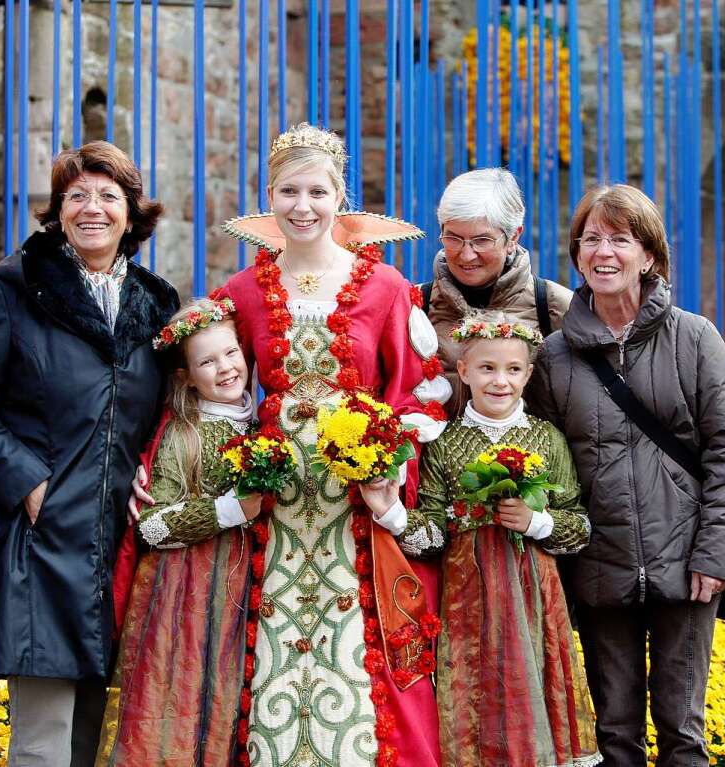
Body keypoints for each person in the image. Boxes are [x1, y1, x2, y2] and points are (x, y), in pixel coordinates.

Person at [213, 124, 452, 767]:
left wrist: (383, 464)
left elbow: (414, 393)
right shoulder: (239, 294)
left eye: (317, 191)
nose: (302, 206)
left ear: (339, 197)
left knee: (358, 653)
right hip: (274, 506)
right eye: (288, 191)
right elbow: (214, 386)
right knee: (269, 652)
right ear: (270, 198)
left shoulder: (386, 288)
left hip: (356, 509)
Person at [0, 141, 179, 766]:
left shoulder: (157, 304)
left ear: (132, 213)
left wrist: (155, 475)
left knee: (98, 739)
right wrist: (28, 482)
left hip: (124, 541)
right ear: (58, 211)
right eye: (77, 196)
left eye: (108, 196)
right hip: (38, 539)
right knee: (42, 742)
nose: (92, 208)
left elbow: (168, 416)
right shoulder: (10, 291)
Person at [526, 184, 725, 766]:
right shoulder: (555, 356)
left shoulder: (694, 337)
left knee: (683, 732)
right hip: (599, 563)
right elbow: (548, 465)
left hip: (687, 564)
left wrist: (719, 553)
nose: (604, 252)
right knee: (616, 733)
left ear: (648, 255)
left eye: (620, 240)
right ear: (577, 255)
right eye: (591, 239)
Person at [417, 311, 600, 767]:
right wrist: (395, 514)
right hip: (466, 593)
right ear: (463, 371)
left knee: (527, 679)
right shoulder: (444, 442)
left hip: (532, 590)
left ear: (529, 374)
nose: (500, 381)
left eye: (513, 369)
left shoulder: (546, 439)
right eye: (487, 368)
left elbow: (577, 523)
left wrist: (535, 521)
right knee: (475, 682)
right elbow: (432, 523)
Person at [98, 298, 264, 765]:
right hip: (185, 591)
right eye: (207, 362)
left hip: (239, 589)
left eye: (231, 354)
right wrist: (228, 510)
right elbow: (152, 525)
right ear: (187, 376)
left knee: (230, 698)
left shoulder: (260, 425)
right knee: (182, 695)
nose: (225, 368)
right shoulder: (184, 433)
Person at [426, 168, 572, 417]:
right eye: (453, 238)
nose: (467, 254)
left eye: (482, 240)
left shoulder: (554, 306)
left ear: (514, 236)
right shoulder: (416, 305)